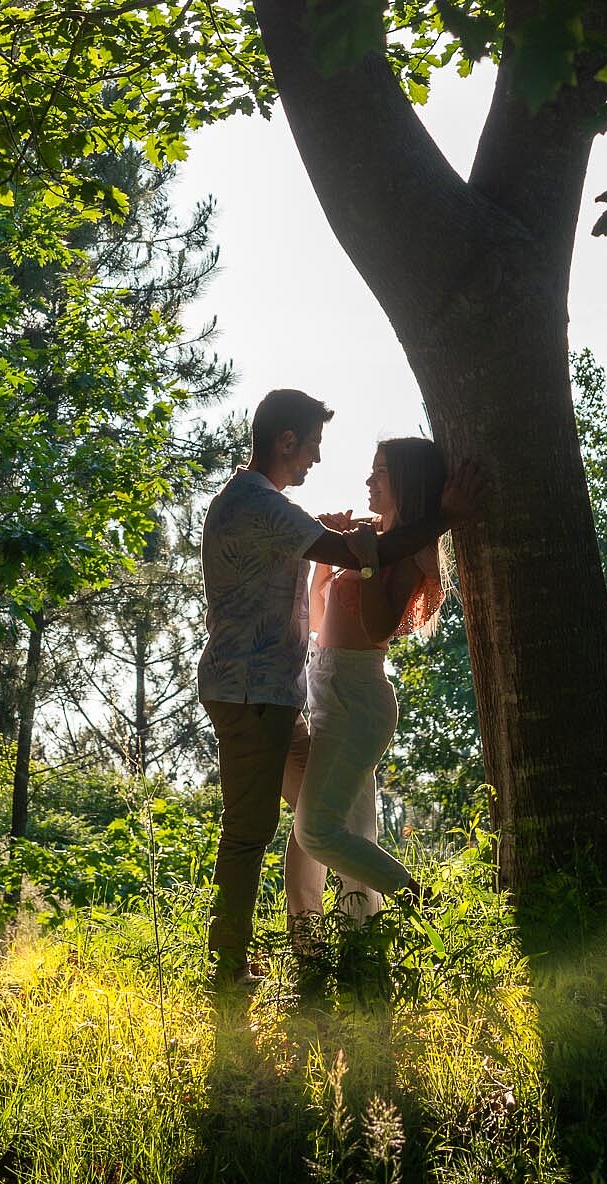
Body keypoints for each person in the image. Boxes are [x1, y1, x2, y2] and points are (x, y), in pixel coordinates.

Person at [197, 390, 470, 989]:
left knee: (319, 823)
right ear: (287, 441)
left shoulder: (263, 503)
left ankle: (331, 948)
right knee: (252, 831)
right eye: (313, 446)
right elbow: (351, 553)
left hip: (281, 695)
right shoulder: (259, 503)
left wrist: (355, 541)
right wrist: (444, 518)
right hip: (251, 694)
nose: (318, 461)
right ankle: (231, 971)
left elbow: (351, 560)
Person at [293, 438, 448, 921]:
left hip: (356, 696)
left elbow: (377, 627)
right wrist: (332, 554)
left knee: (315, 830)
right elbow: (321, 617)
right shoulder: (374, 538)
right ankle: (358, 933)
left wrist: (362, 560)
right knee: (350, 828)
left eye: (379, 473)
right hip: (328, 687)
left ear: (406, 484)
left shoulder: (404, 557)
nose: (367, 481)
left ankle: (423, 904)